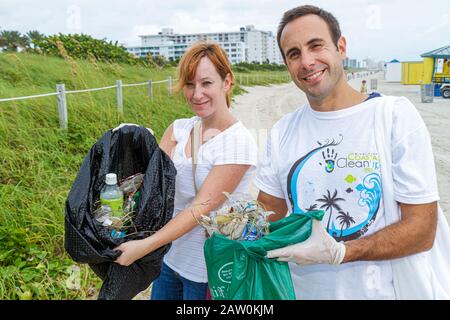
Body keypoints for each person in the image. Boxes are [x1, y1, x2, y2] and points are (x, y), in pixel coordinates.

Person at [255, 5, 450, 299]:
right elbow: (268, 215)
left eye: (315, 45)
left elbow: (422, 230)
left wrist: (341, 252)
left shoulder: (393, 116)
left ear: (341, 47)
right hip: (300, 292)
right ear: (287, 64)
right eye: (294, 53)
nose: (307, 61)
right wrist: (237, 226)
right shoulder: (282, 131)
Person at [114, 41, 258, 300]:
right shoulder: (179, 129)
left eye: (206, 83)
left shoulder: (238, 142)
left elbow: (200, 208)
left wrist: (144, 246)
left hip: (209, 270)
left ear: (227, 82)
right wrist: (131, 146)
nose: (196, 93)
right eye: (190, 84)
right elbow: (152, 187)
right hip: (169, 258)